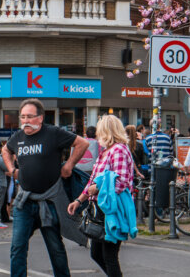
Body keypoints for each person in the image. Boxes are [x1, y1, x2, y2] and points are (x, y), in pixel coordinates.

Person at [3, 98, 90, 277]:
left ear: (40, 118)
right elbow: (6, 150)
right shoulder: (18, 137)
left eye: (29, 117)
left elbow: (82, 143)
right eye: (23, 117)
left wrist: (68, 166)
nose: (25, 121)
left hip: (49, 201)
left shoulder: (53, 133)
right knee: (17, 246)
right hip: (25, 202)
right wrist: (12, 170)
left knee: (55, 247)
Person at [68, 115, 137, 277]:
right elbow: (92, 180)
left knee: (109, 256)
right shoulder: (106, 151)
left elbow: (121, 182)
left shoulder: (119, 150)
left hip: (112, 209)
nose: (98, 135)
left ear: (106, 131)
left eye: (100, 131)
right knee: (97, 254)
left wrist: (97, 189)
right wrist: (79, 200)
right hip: (101, 208)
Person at [145, 125, 174, 216]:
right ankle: (164, 211)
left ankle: (157, 213)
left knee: (154, 190)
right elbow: (171, 154)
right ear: (160, 126)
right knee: (165, 190)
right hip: (165, 169)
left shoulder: (148, 138)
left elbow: (147, 154)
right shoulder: (167, 138)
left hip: (152, 169)